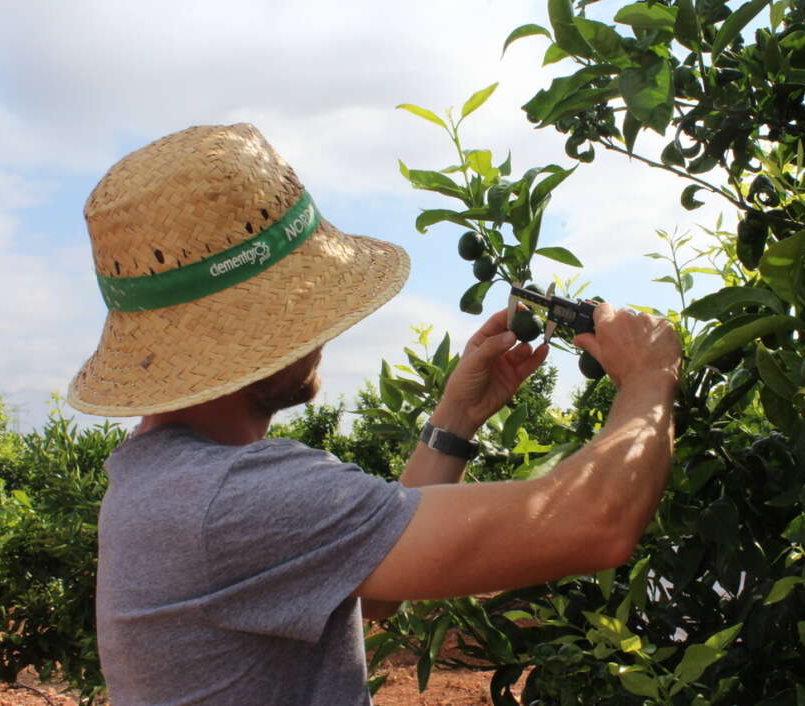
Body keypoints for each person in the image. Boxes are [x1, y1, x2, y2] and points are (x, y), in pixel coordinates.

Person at [68, 123, 682, 705]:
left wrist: (456, 419)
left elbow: (371, 589)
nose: (322, 333)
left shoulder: (162, 480)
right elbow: (590, 524)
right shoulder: (234, 496)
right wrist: (650, 378)